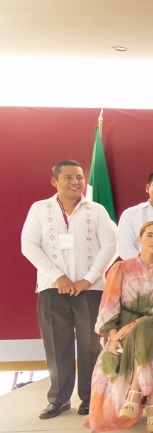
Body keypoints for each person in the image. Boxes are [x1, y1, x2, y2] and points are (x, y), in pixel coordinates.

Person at [21, 159, 118, 419]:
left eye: (79, 177)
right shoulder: (40, 209)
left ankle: (89, 397)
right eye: (68, 177)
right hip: (52, 288)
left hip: (90, 289)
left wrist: (88, 278)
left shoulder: (96, 210)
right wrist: (58, 276)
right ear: (54, 181)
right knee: (56, 344)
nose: (76, 182)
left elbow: (112, 245)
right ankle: (59, 399)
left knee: (91, 345)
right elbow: (28, 245)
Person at [86, 221, 153, 433]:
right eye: (150, 235)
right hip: (128, 330)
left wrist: (137, 322)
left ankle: (136, 391)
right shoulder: (120, 268)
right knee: (143, 337)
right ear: (139, 239)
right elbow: (109, 306)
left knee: (146, 325)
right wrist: (114, 338)